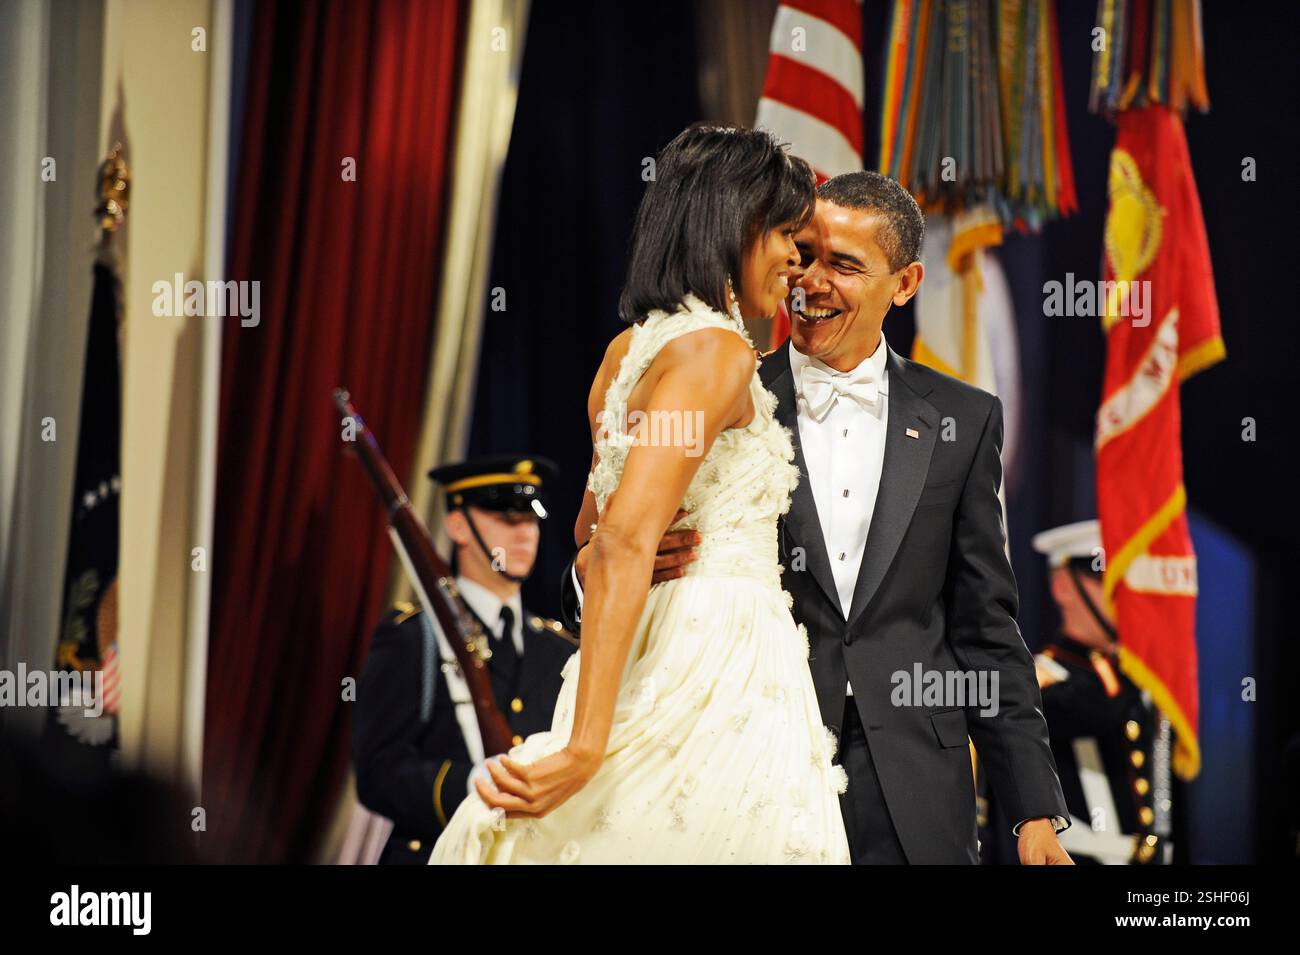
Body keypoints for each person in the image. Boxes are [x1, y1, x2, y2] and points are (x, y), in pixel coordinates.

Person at [566, 171, 1071, 864]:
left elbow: (987, 627)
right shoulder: (729, 389)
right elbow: (616, 538)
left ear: (906, 282)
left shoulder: (964, 418)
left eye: (845, 264)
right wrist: (592, 568)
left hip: (916, 790)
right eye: (804, 254)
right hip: (754, 761)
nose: (811, 280)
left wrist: (1033, 811)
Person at [430, 124, 851, 864]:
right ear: (730, 221)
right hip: (715, 667)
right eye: (785, 233)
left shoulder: (626, 352)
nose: (795, 259)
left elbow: (592, 541)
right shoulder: (718, 351)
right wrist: (586, 744)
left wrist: (613, 555)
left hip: (648, 647)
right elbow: (621, 540)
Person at [351, 455, 576, 864]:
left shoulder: (559, 648)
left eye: (531, 518)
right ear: (458, 526)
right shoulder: (414, 637)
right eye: (507, 518)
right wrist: (469, 785)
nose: (526, 532)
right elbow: (377, 772)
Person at [1029, 520, 1171, 864]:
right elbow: (1092, 709)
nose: (1122, 593)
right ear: (1064, 585)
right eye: (1105, 578)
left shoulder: (1136, 677)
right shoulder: (1037, 678)